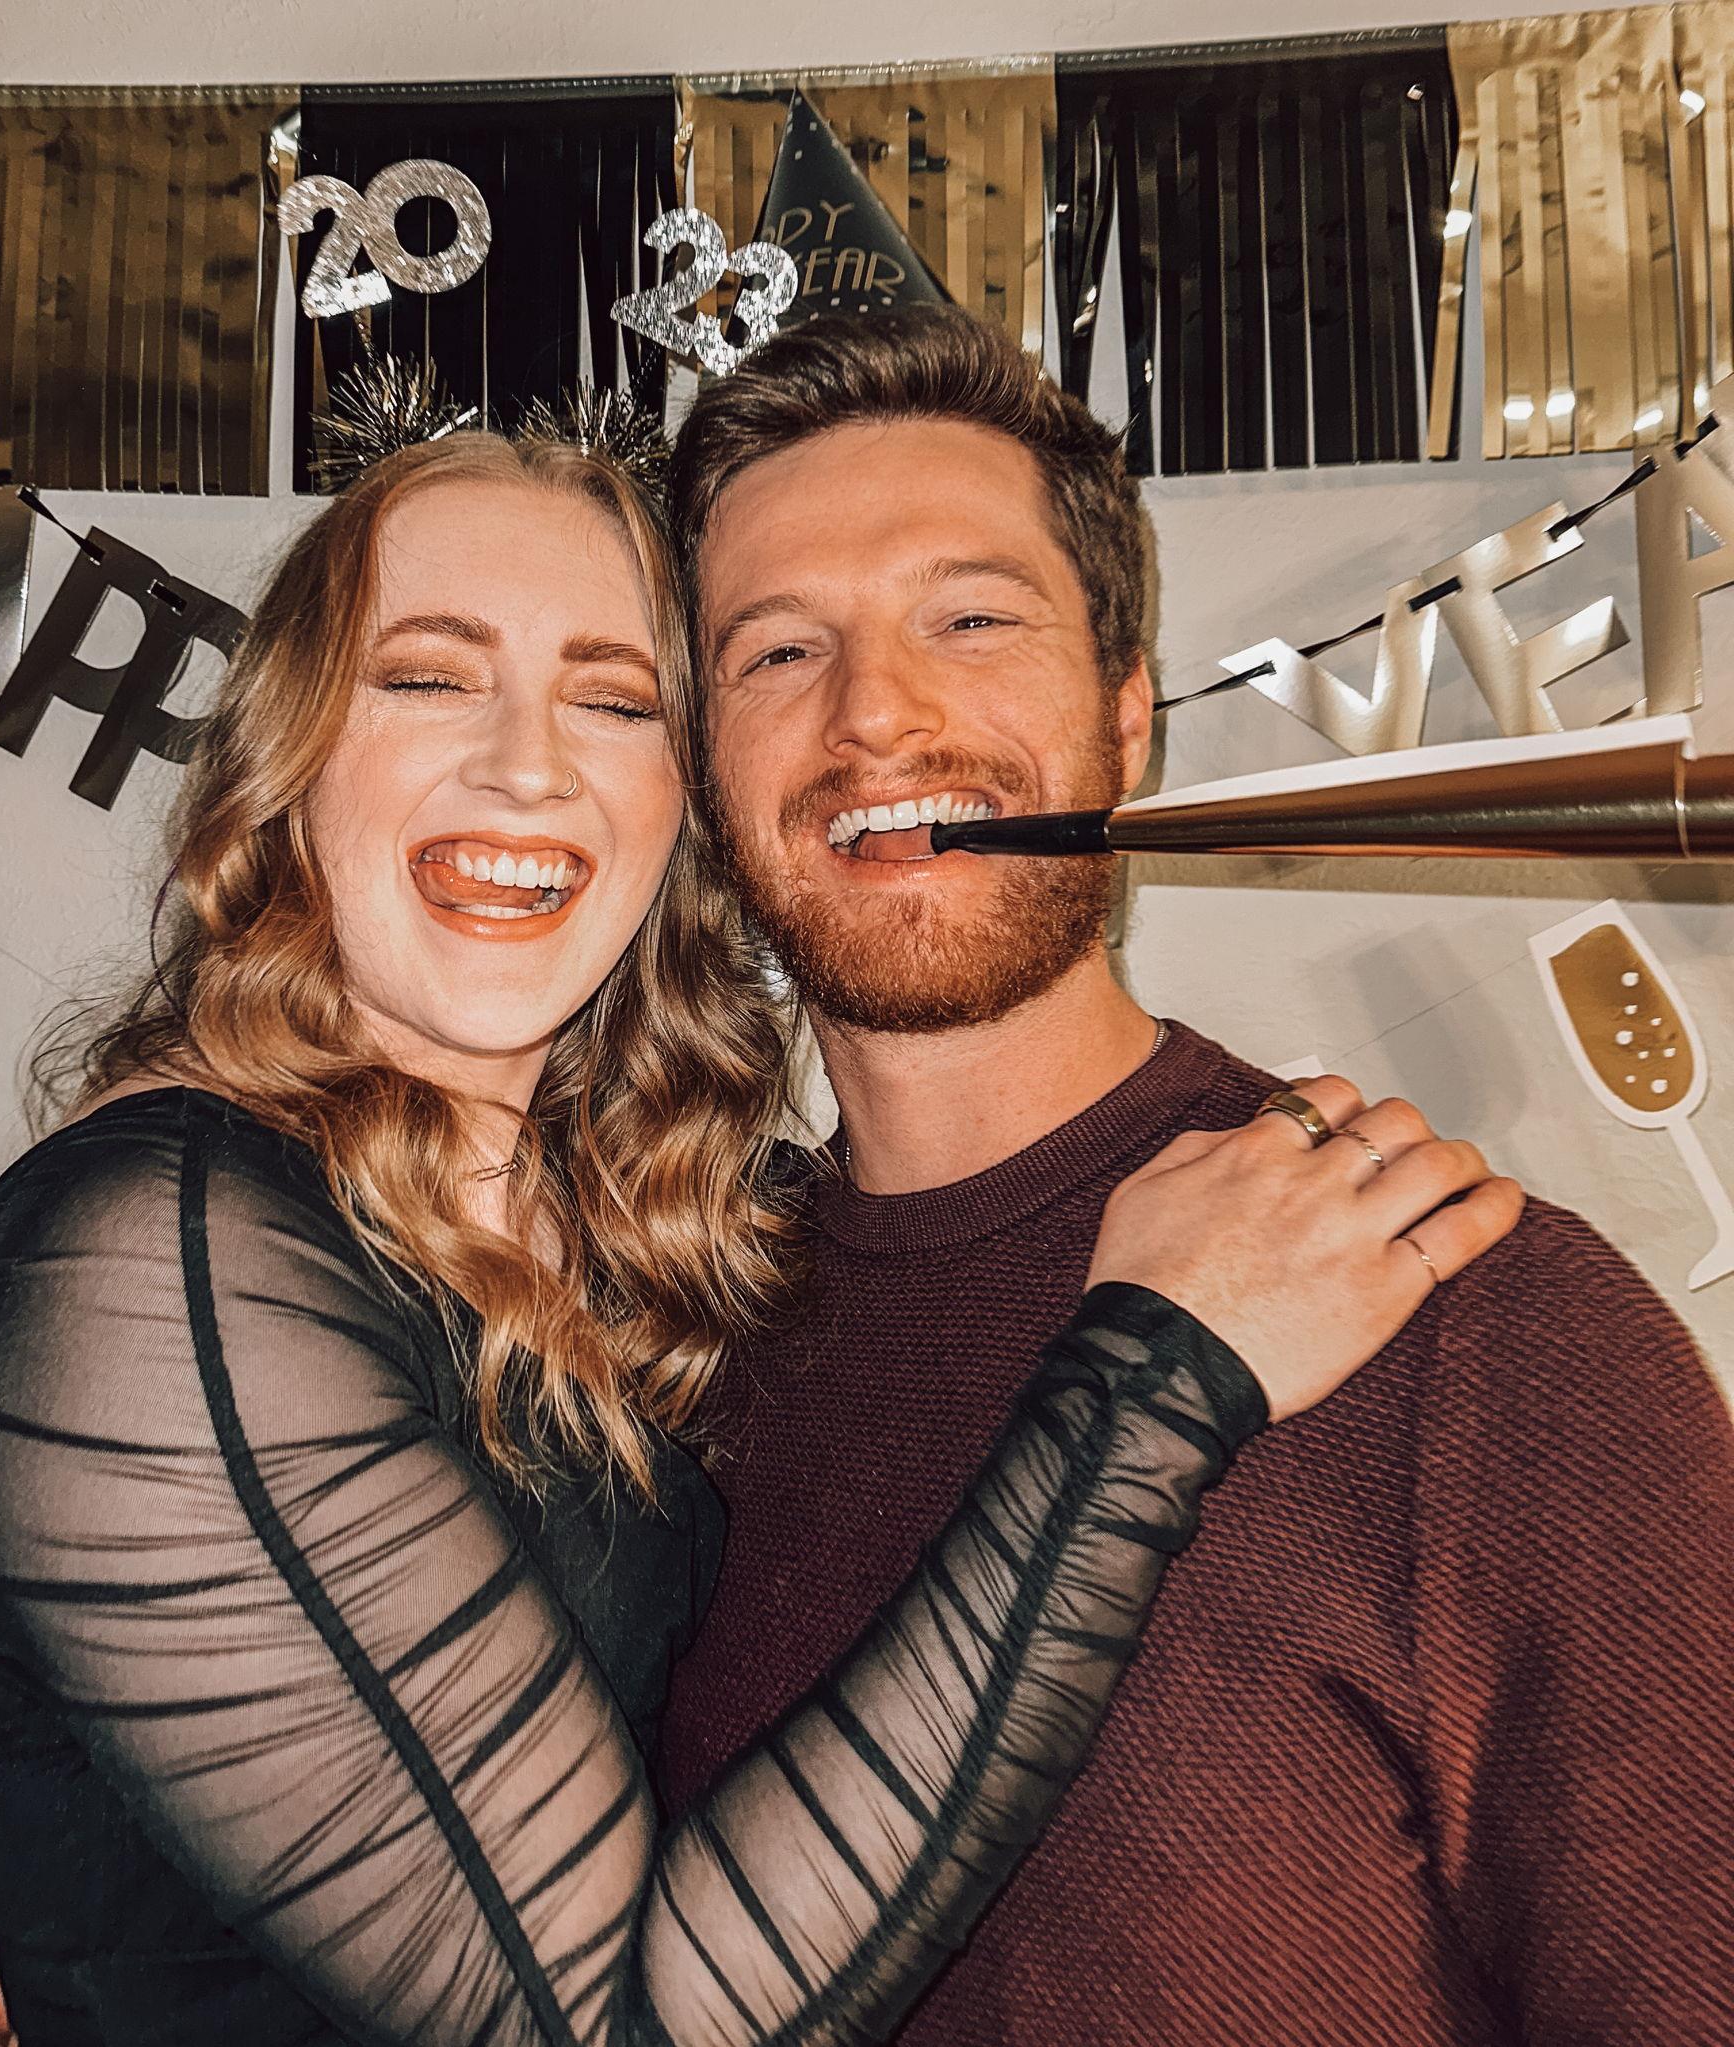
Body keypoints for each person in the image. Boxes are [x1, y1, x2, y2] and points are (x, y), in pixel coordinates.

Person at [0, 427, 1519, 2047]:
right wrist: (1161, 1373)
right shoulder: (145, 1256)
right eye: (427, 677)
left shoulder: (655, 1243)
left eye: (614, 699)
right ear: (290, 756)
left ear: (684, 802)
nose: (530, 765)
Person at [652, 305, 1734, 2044]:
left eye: (972, 618)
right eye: (776, 653)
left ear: (1128, 720)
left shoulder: (1481, 1319)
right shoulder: (656, 1351)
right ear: (709, 780)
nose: (877, 714)